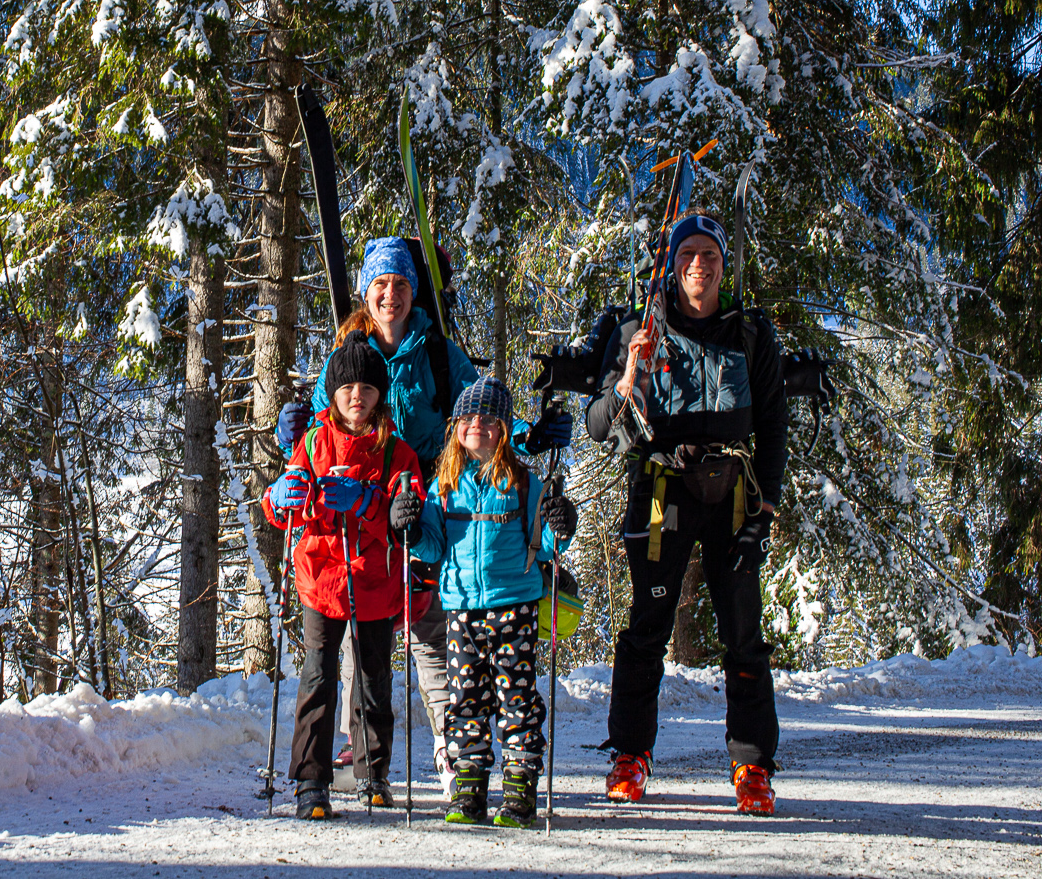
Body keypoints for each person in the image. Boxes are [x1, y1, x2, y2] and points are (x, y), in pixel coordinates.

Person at [272, 238, 572, 794]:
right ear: (367, 292)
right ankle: (356, 746)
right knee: (361, 635)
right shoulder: (350, 352)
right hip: (362, 519)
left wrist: (529, 435)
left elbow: (479, 414)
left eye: (402, 285)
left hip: (433, 504)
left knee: (435, 632)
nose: (392, 296)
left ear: (414, 292)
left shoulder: (438, 353)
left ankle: (453, 747)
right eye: (382, 285)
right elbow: (319, 433)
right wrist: (287, 435)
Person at [584, 212, 788, 815]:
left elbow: (774, 426)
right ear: (670, 267)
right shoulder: (637, 333)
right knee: (647, 631)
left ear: (725, 266)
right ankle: (629, 754)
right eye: (687, 256)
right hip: (659, 500)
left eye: (710, 256)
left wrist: (766, 508)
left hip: (733, 500)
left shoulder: (751, 335)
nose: (699, 265)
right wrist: (628, 377)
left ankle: (752, 764)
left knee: (743, 635)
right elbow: (597, 427)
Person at [393, 376, 577, 827]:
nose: (477, 424)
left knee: (516, 699)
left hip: (514, 606)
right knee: (466, 701)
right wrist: (411, 529)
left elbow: (547, 544)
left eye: (488, 418)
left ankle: (518, 791)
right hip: (460, 610)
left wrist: (562, 521)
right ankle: (469, 790)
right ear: (456, 426)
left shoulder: (523, 483)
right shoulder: (443, 486)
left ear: (503, 428)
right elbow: (432, 548)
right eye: (469, 417)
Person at [262, 331, 424, 819]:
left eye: (368, 389)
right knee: (317, 674)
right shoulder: (311, 444)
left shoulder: (398, 453)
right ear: (332, 395)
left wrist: (373, 504)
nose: (358, 396)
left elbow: (407, 516)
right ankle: (311, 780)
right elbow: (284, 505)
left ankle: (374, 774)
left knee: (374, 677)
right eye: (348, 388)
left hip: (375, 582)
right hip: (321, 579)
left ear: (380, 396)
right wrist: (278, 499)